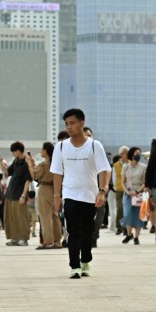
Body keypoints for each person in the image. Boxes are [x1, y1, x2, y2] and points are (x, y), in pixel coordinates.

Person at [51, 109, 111, 278]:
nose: (69, 127)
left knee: (87, 232)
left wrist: (101, 191)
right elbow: (57, 173)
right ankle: (74, 266)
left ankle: (85, 259)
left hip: (90, 196)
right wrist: (57, 196)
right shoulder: (61, 147)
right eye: (66, 124)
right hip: (70, 195)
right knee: (73, 231)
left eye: (72, 123)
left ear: (82, 123)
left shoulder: (94, 145)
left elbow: (104, 170)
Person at [1, 142, 35, 246]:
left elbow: (28, 180)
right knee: (11, 218)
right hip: (11, 193)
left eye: (13, 152)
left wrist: (23, 195)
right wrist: (2, 164)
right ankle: (14, 238)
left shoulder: (26, 163)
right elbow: (7, 172)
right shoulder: (16, 161)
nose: (12, 154)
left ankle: (23, 238)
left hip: (19, 195)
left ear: (18, 151)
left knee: (21, 218)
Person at [35, 142, 62, 249]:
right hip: (54, 189)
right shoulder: (55, 163)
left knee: (45, 216)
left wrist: (30, 163)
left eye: (42, 149)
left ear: (45, 151)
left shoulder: (44, 164)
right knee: (55, 216)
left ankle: (47, 241)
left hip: (45, 189)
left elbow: (34, 174)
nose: (41, 151)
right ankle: (57, 240)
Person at [121, 146, 146, 245]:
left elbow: (144, 182)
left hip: (139, 193)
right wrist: (127, 191)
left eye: (139, 153)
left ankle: (137, 236)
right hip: (128, 193)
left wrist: (137, 191)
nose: (138, 155)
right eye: (136, 153)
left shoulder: (143, 167)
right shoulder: (126, 166)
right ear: (131, 155)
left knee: (138, 215)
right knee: (127, 214)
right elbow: (122, 181)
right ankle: (129, 233)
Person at [112, 147, 129, 234]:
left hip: (129, 189)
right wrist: (115, 187)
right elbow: (114, 177)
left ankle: (126, 227)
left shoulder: (130, 164)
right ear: (121, 154)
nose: (127, 155)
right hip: (119, 189)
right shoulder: (116, 165)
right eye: (125, 153)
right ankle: (119, 226)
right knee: (120, 208)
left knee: (127, 209)